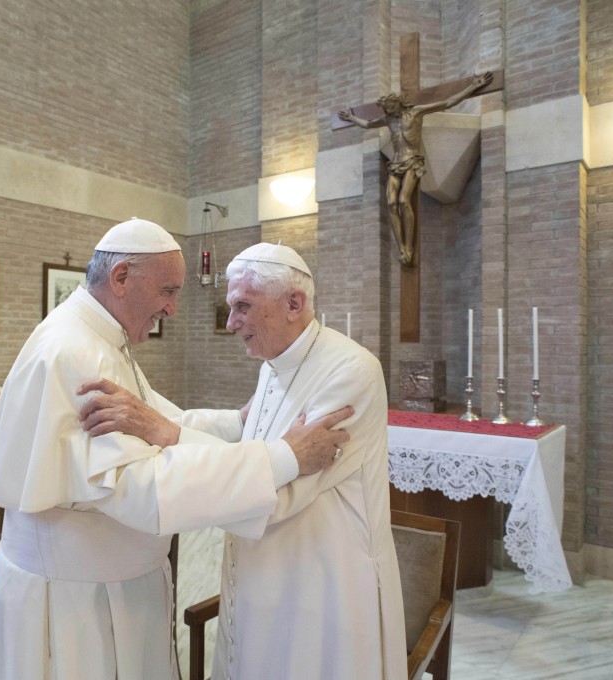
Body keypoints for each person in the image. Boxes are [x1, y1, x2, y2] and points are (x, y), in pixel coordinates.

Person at [0, 219, 352, 680]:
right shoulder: (77, 353)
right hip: (79, 599)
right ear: (120, 279)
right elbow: (142, 489)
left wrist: (235, 424)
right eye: (167, 291)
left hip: (102, 582)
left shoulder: (94, 338)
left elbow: (155, 422)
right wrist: (284, 458)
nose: (172, 309)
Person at [81, 243, 408, 680]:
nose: (232, 323)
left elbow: (281, 492)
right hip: (263, 571)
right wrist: (161, 422)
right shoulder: (275, 361)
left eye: (243, 307)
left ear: (294, 303)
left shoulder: (349, 371)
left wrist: (168, 434)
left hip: (323, 581)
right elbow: (253, 437)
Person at [338, 71, 493, 265]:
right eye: (386, 109)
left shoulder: (416, 112)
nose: (388, 111)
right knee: (391, 203)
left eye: (390, 107)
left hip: (412, 161)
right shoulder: (388, 120)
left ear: (398, 103)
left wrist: (474, 86)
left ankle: (409, 247)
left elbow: (447, 103)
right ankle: (401, 247)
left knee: (404, 201)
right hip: (395, 163)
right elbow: (369, 124)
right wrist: (352, 118)